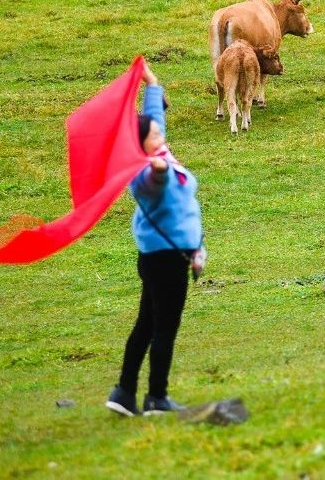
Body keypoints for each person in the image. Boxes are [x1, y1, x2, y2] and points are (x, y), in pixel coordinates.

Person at [106, 63, 205, 417]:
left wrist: (151, 84)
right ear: (141, 145)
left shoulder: (157, 150)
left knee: (146, 325)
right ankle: (157, 398)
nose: (160, 135)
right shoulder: (146, 172)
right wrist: (158, 171)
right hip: (166, 259)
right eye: (153, 136)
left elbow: (151, 123)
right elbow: (153, 184)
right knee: (164, 328)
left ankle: (123, 393)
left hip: (162, 256)